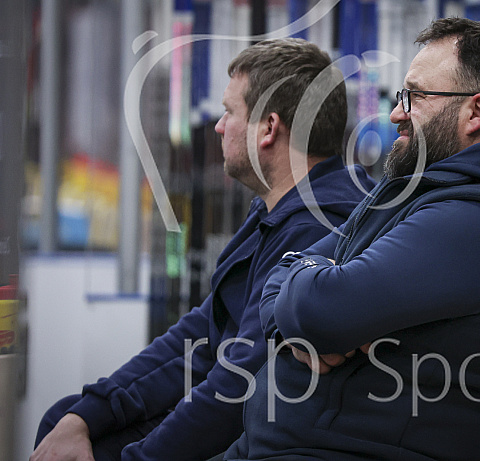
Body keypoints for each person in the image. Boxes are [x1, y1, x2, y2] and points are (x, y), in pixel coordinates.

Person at [221, 17, 480, 461]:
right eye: (399, 96)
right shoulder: (421, 196)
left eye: (415, 96)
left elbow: (320, 309)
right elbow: (286, 274)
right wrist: (299, 312)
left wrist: (311, 308)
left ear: (477, 112)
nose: (395, 113)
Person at [31, 38, 375, 461]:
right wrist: (89, 413)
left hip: (261, 437)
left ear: (268, 128)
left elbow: (236, 388)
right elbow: (199, 335)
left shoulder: (314, 229)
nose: (217, 126)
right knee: (62, 422)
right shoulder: (276, 211)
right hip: (230, 416)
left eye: (230, 112)